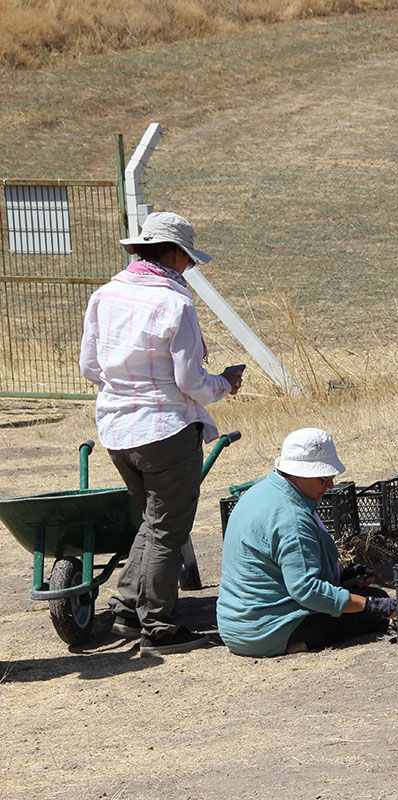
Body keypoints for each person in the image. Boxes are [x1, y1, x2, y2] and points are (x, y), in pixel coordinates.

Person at [80, 211, 245, 657]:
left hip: (117, 429)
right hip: (165, 430)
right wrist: (225, 384)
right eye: (188, 258)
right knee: (169, 527)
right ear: (173, 254)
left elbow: (89, 368)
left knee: (154, 521)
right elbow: (190, 381)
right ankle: (159, 623)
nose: (189, 266)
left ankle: (126, 608)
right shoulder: (176, 304)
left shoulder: (106, 294)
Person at [217, 428, 396, 657]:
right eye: (324, 478)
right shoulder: (292, 518)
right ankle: (296, 643)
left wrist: (343, 576)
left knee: (360, 598)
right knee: (376, 600)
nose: (331, 485)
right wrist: (369, 605)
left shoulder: (259, 491)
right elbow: (307, 591)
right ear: (299, 473)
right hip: (268, 631)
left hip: (237, 627)